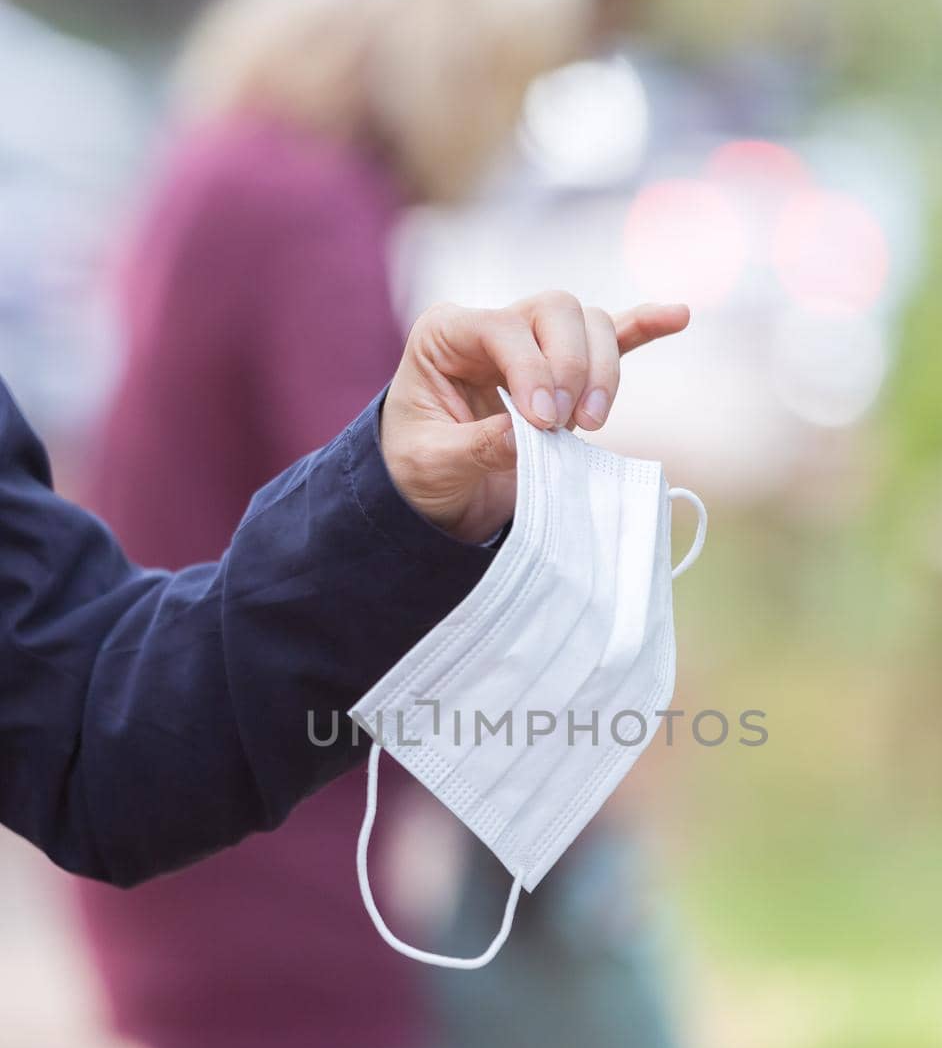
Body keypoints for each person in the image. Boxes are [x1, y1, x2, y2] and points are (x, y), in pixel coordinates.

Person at [65, 0, 689, 1048]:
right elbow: (384, 541)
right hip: (273, 871)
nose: (520, 126)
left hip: (193, 847)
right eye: (524, 89)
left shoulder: (220, 174)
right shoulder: (307, 212)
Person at [1, 287, 685, 887]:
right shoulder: (301, 207)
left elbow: (83, 717)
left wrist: (402, 502)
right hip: (296, 894)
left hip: (287, 846)